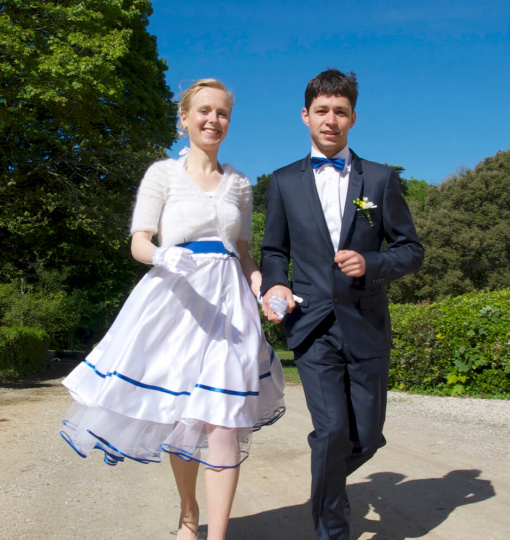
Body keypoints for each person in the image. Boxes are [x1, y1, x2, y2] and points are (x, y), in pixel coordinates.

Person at [60, 78, 285, 540]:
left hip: (229, 312)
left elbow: (242, 254)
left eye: (222, 113)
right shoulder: (162, 174)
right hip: (176, 303)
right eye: (203, 111)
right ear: (184, 118)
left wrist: (265, 289)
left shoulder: (240, 184)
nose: (213, 120)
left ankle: (216, 536)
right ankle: (188, 514)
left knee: (222, 422)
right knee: (186, 417)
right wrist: (162, 254)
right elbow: (139, 241)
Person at [260, 68, 424, 539]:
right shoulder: (283, 181)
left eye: (341, 112)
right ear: (305, 116)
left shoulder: (382, 178)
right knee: (330, 432)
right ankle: (332, 529)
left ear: (353, 118)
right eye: (322, 111)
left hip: (366, 323)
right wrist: (274, 286)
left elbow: (410, 250)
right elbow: (274, 251)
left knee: (366, 438)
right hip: (310, 324)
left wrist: (372, 261)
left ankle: (326, 482)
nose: (331, 120)